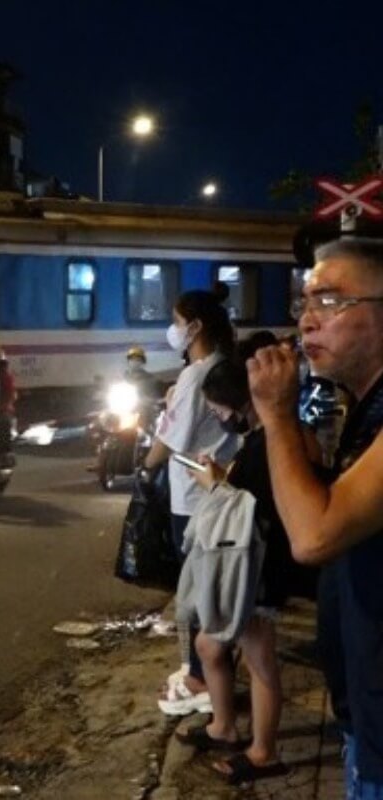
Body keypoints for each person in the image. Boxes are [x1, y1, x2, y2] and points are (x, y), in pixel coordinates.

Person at [246, 237, 383, 795]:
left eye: (329, 300)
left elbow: (314, 534)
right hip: (366, 720)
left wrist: (277, 414)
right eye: (303, 303)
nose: (306, 321)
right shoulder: (362, 407)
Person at [176, 332, 304, 784]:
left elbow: (253, 505)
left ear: (239, 401)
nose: (217, 416)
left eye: (217, 409)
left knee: (258, 659)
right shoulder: (266, 436)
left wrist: (215, 483)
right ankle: (225, 726)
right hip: (253, 566)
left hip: (256, 569)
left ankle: (263, 751)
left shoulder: (271, 439)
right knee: (210, 645)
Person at [142, 290, 242, 716]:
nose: (173, 330)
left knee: (198, 592)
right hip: (222, 492)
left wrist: (146, 467)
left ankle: (201, 679)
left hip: (193, 497)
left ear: (195, 327)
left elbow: (171, 441)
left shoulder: (195, 375)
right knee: (211, 589)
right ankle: (202, 670)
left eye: (176, 320)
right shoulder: (221, 366)